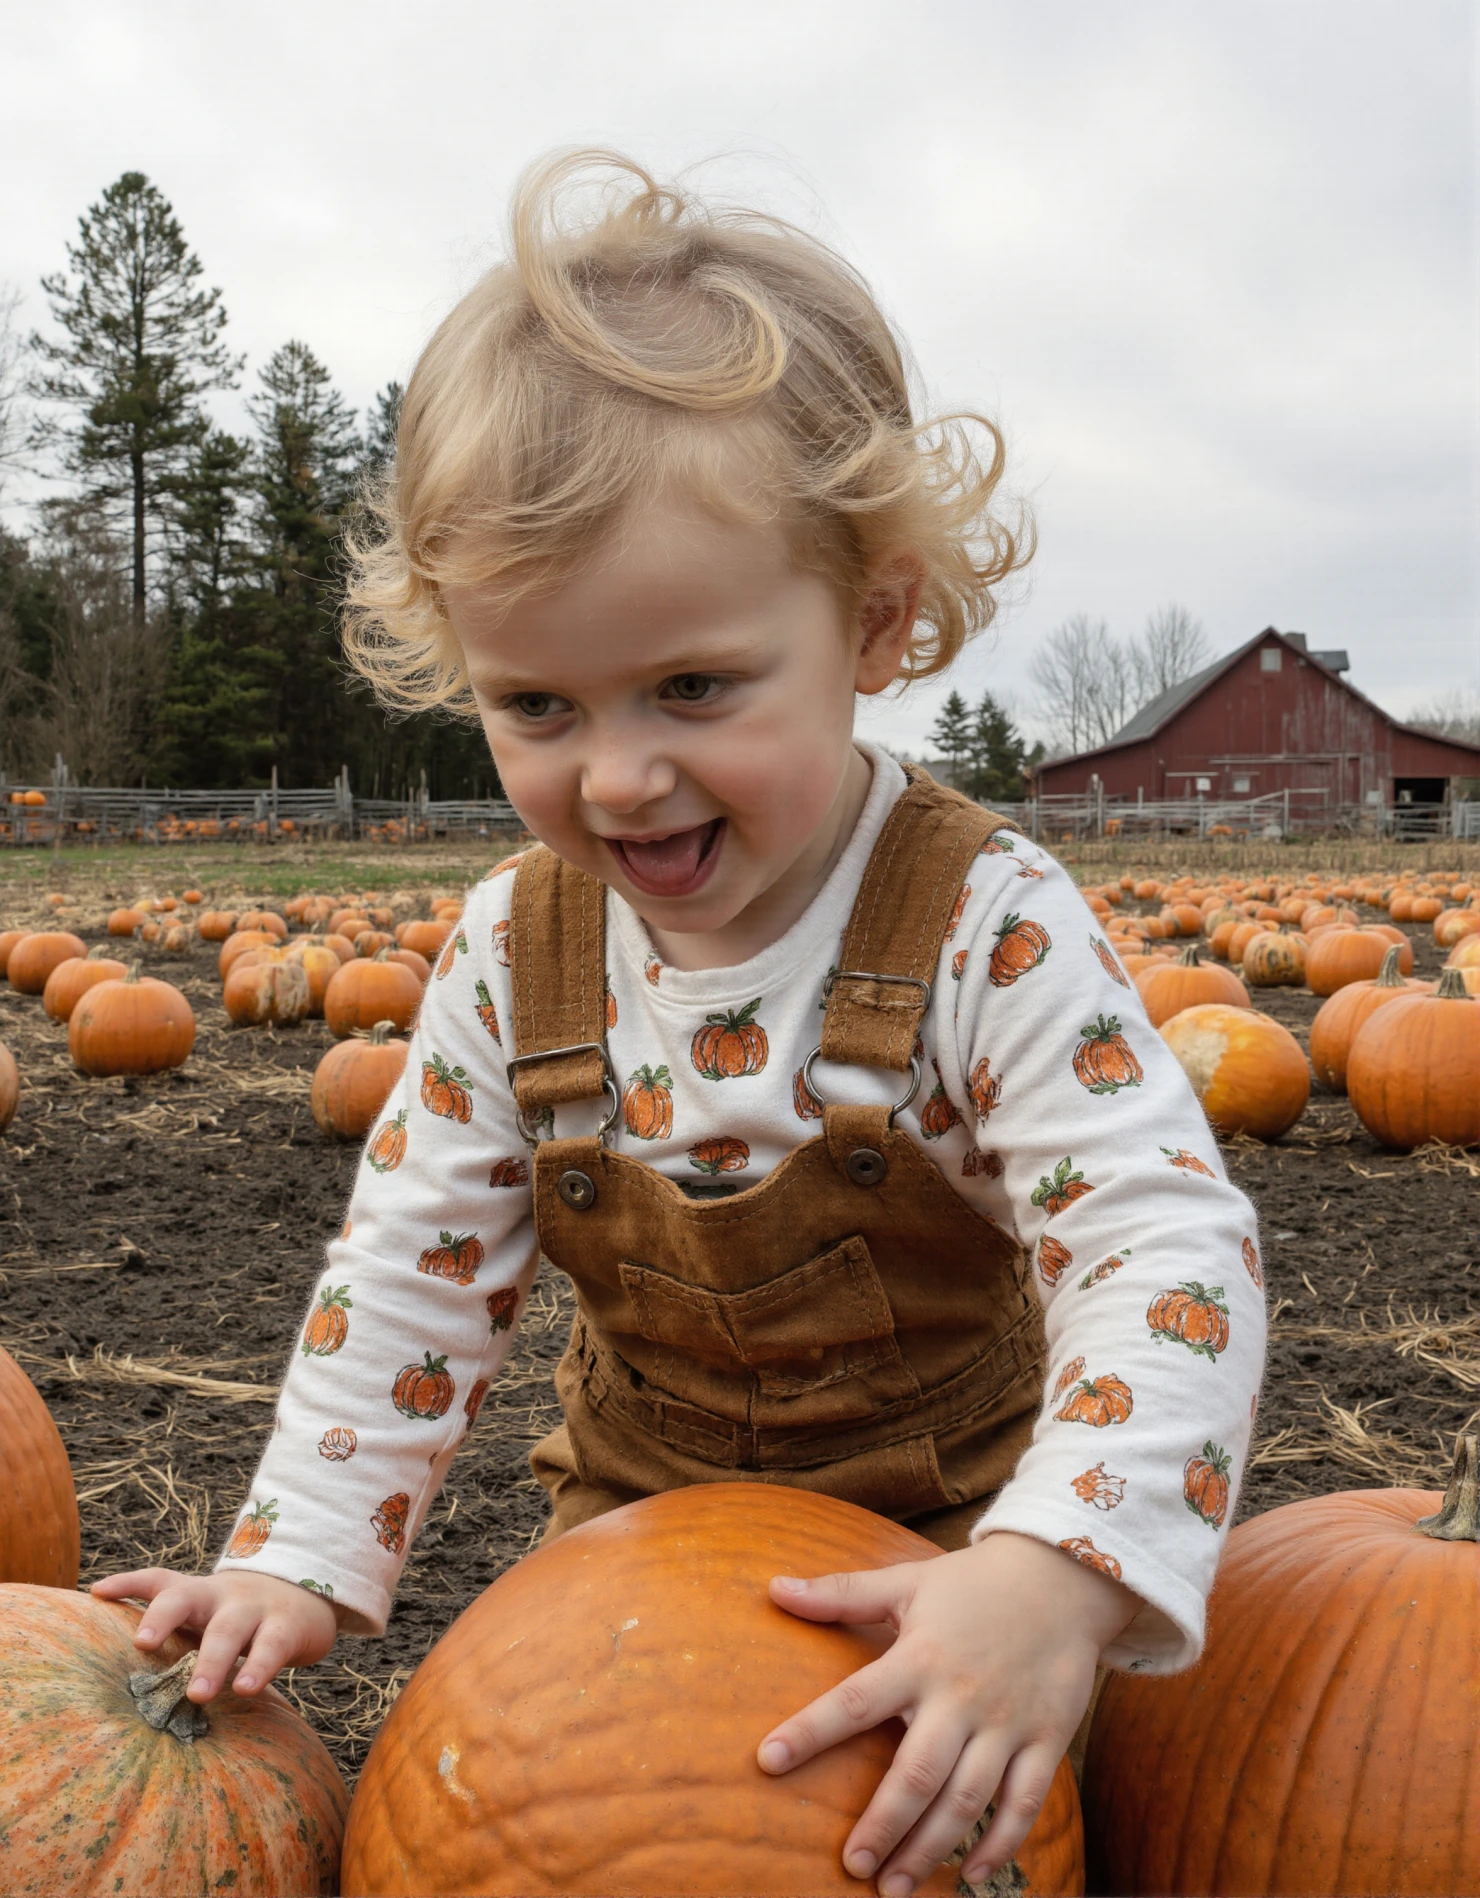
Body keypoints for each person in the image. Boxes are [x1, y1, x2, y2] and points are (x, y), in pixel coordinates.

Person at [95, 151, 1264, 1896]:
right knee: (560, 1829)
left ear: (872, 623)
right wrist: (299, 1554)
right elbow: (413, 1268)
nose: (621, 776)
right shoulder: (517, 951)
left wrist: (1058, 1572)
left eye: (694, 688)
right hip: (633, 1548)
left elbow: (1162, 1245)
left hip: (953, 1542)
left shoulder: (984, 923)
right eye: (538, 704)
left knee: (969, 1841)